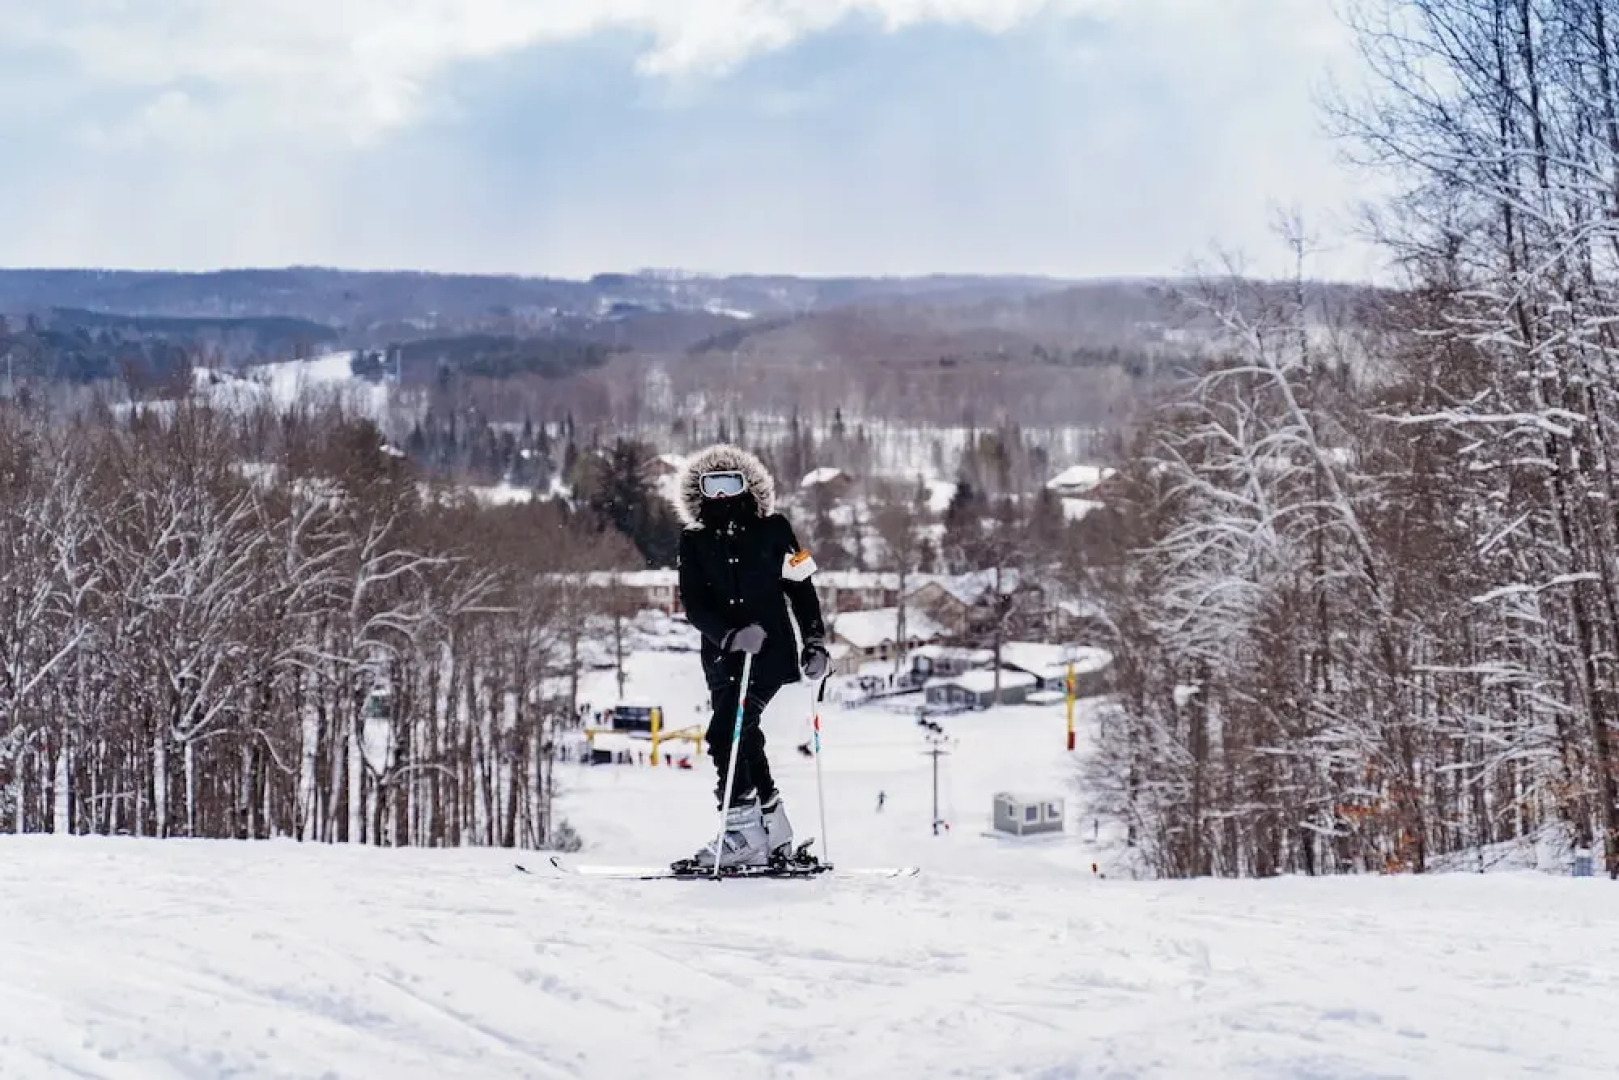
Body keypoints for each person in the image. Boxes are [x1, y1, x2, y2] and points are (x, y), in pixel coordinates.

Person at [675, 443, 829, 868]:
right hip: (724, 659)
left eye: (731, 483)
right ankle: (772, 824)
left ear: (749, 486)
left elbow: (802, 588)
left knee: (725, 733)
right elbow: (694, 604)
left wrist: (815, 642)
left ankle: (742, 833)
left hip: (769, 656)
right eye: (713, 486)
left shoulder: (776, 529)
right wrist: (729, 636)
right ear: (700, 492)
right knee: (744, 735)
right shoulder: (693, 541)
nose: (722, 495)